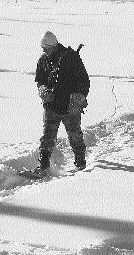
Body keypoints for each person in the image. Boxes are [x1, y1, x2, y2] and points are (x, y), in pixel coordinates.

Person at [31, 31, 90, 177]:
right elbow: (40, 80)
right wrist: (43, 90)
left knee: (75, 135)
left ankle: (80, 164)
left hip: (70, 105)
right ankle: (43, 166)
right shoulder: (43, 60)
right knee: (47, 136)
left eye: (46, 48)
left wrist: (79, 96)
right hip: (51, 105)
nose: (44, 51)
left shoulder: (72, 57)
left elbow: (84, 80)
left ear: (53, 46)